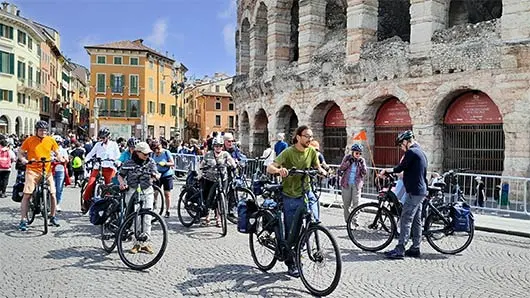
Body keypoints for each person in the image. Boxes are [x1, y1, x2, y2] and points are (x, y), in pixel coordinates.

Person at [266, 125, 328, 278]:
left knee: (314, 222)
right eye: (307, 136)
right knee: (291, 232)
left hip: (308, 193)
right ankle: (291, 262)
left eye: (311, 136)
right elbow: (270, 167)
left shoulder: (312, 151)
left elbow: (318, 167)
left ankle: (303, 244)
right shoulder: (288, 152)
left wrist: (322, 172)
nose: (310, 139)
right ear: (298, 137)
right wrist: (279, 170)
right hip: (291, 195)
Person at [379, 130, 428, 259]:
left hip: (414, 191)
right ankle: (415, 248)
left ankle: (400, 249)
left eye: (401, 144)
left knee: (406, 218)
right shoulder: (420, 151)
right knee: (416, 220)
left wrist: (386, 170)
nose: (401, 147)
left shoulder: (411, 152)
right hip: (420, 191)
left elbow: (400, 167)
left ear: (407, 141)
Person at [17, 121, 64, 231]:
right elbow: (20, 152)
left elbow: (57, 152)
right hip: (32, 170)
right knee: (27, 195)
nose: (43, 132)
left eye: (45, 130)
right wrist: (24, 160)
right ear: (36, 130)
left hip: (47, 171)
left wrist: (60, 158)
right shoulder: (29, 140)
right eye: (41, 130)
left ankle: (52, 216)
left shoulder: (50, 140)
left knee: (53, 194)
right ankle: (23, 220)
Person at [117, 142, 160, 254]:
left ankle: (146, 242)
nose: (147, 156)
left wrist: (155, 176)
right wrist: (122, 183)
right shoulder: (129, 163)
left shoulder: (150, 162)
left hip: (147, 190)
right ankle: (136, 243)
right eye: (144, 154)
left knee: (147, 217)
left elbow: (156, 173)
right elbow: (120, 175)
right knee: (136, 217)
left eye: (148, 153)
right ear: (137, 153)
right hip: (133, 190)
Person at [199, 135, 237, 227]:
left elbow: (231, 161)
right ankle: (206, 217)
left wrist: (233, 165)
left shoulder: (225, 154)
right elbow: (202, 164)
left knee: (220, 198)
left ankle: (218, 219)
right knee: (208, 198)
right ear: (213, 146)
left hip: (222, 178)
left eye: (220, 145)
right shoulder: (208, 154)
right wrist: (201, 171)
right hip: (209, 179)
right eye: (216, 146)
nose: (218, 147)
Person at [82, 127, 121, 213]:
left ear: (108, 137)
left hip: (110, 168)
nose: (102, 139)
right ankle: (86, 202)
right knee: (90, 184)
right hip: (98, 167)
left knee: (110, 187)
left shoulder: (114, 145)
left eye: (103, 138)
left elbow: (118, 156)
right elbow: (90, 154)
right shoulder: (97, 145)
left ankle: (109, 205)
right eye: (100, 138)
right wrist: (86, 160)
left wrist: (117, 162)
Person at [338, 143, 368, 223]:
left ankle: (355, 221)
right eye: (357, 153)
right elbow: (341, 168)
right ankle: (348, 221)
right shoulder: (347, 158)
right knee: (346, 205)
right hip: (346, 184)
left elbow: (364, 172)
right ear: (353, 152)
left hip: (356, 184)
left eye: (360, 153)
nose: (358, 155)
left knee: (356, 204)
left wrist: (361, 164)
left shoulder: (362, 160)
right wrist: (349, 162)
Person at [150, 139, 175, 218]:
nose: (157, 152)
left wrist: (165, 163)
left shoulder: (166, 152)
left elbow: (172, 163)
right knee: (155, 192)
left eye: (158, 150)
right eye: (155, 151)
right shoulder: (152, 154)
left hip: (167, 174)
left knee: (167, 194)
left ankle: (167, 210)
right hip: (157, 174)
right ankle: (154, 206)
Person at [51, 135, 71, 212]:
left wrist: (63, 159)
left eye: (59, 142)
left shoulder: (63, 150)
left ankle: (57, 204)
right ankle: (49, 203)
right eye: (56, 142)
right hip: (50, 170)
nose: (57, 144)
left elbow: (66, 159)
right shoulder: (49, 150)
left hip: (60, 170)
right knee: (51, 189)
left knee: (59, 189)